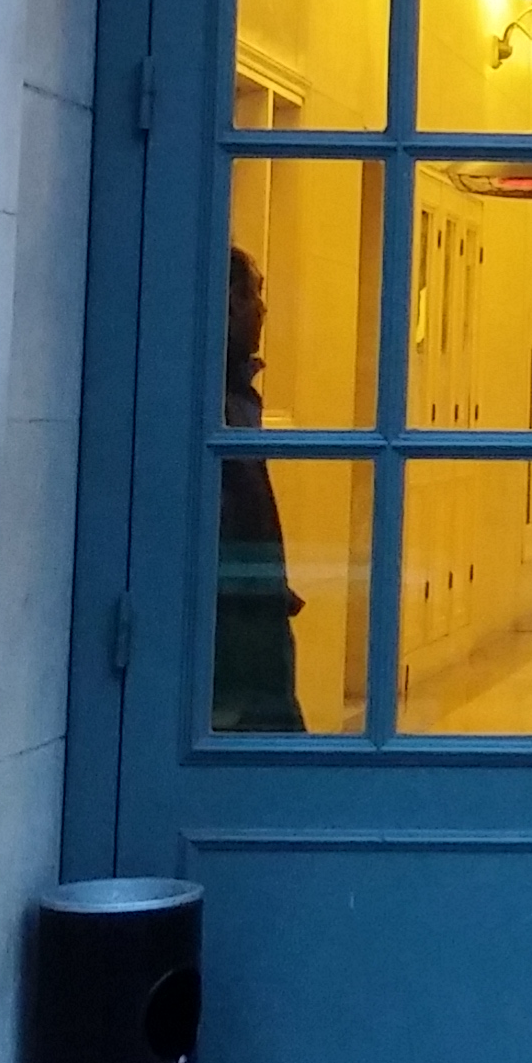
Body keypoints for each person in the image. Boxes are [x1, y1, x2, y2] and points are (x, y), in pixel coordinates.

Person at [211, 243, 304, 729]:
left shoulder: (236, 398)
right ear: (228, 302)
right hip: (231, 623)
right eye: (254, 294)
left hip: (254, 611)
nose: (263, 309)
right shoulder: (211, 400)